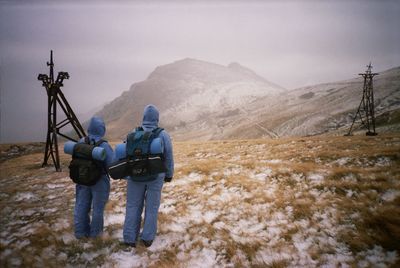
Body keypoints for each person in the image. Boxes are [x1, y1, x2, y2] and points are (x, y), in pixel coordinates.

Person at [123, 104, 174, 248]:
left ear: (144, 117)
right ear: (156, 118)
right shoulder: (163, 134)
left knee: (132, 206)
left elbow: (126, 154)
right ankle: (147, 238)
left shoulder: (134, 132)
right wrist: (169, 174)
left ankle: (129, 238)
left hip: (135, 176)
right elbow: (169, 157)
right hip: (155, 177)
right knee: (151, 207)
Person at [74, 116, 114, 239]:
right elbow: (111, 165)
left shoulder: (80, 142)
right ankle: (95, 235)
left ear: (90, 128)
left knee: (81, 206)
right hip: (99, 181)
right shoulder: (104, 145)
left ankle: (80, 233)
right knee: (98, 209)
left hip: (82, 178)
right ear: (102, 129)